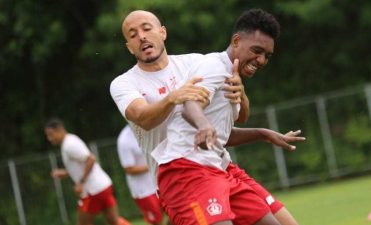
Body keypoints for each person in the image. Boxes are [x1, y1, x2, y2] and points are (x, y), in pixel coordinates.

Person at [110, 9, 303, 225]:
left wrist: (248, 106)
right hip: (181, 171)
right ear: (129, 46)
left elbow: (230, 122)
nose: (142, 36)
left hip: (220, 166)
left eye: (146, 28)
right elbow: (144, 118)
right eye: (133, 34)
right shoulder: (124, 83)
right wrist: (175, 99)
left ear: (162, 32)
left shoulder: (197, 62)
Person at [45, 118, 130, 225]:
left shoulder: (69, 145)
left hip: (93, 191)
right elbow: (81, 164)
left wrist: (81, 182)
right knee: (114, 221)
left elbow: (90, 159)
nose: (49, 138)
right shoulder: (70, 140)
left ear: (59, 130)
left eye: (51, 134)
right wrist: (66, 173)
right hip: (103, 186)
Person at [116, 125, 167, 225]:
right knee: (156, 221)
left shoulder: (153, 127)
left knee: (175, 213)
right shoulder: (124, 140)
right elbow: (129, 169)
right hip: (143, 190)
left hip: (159, 182)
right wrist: (154, 164)